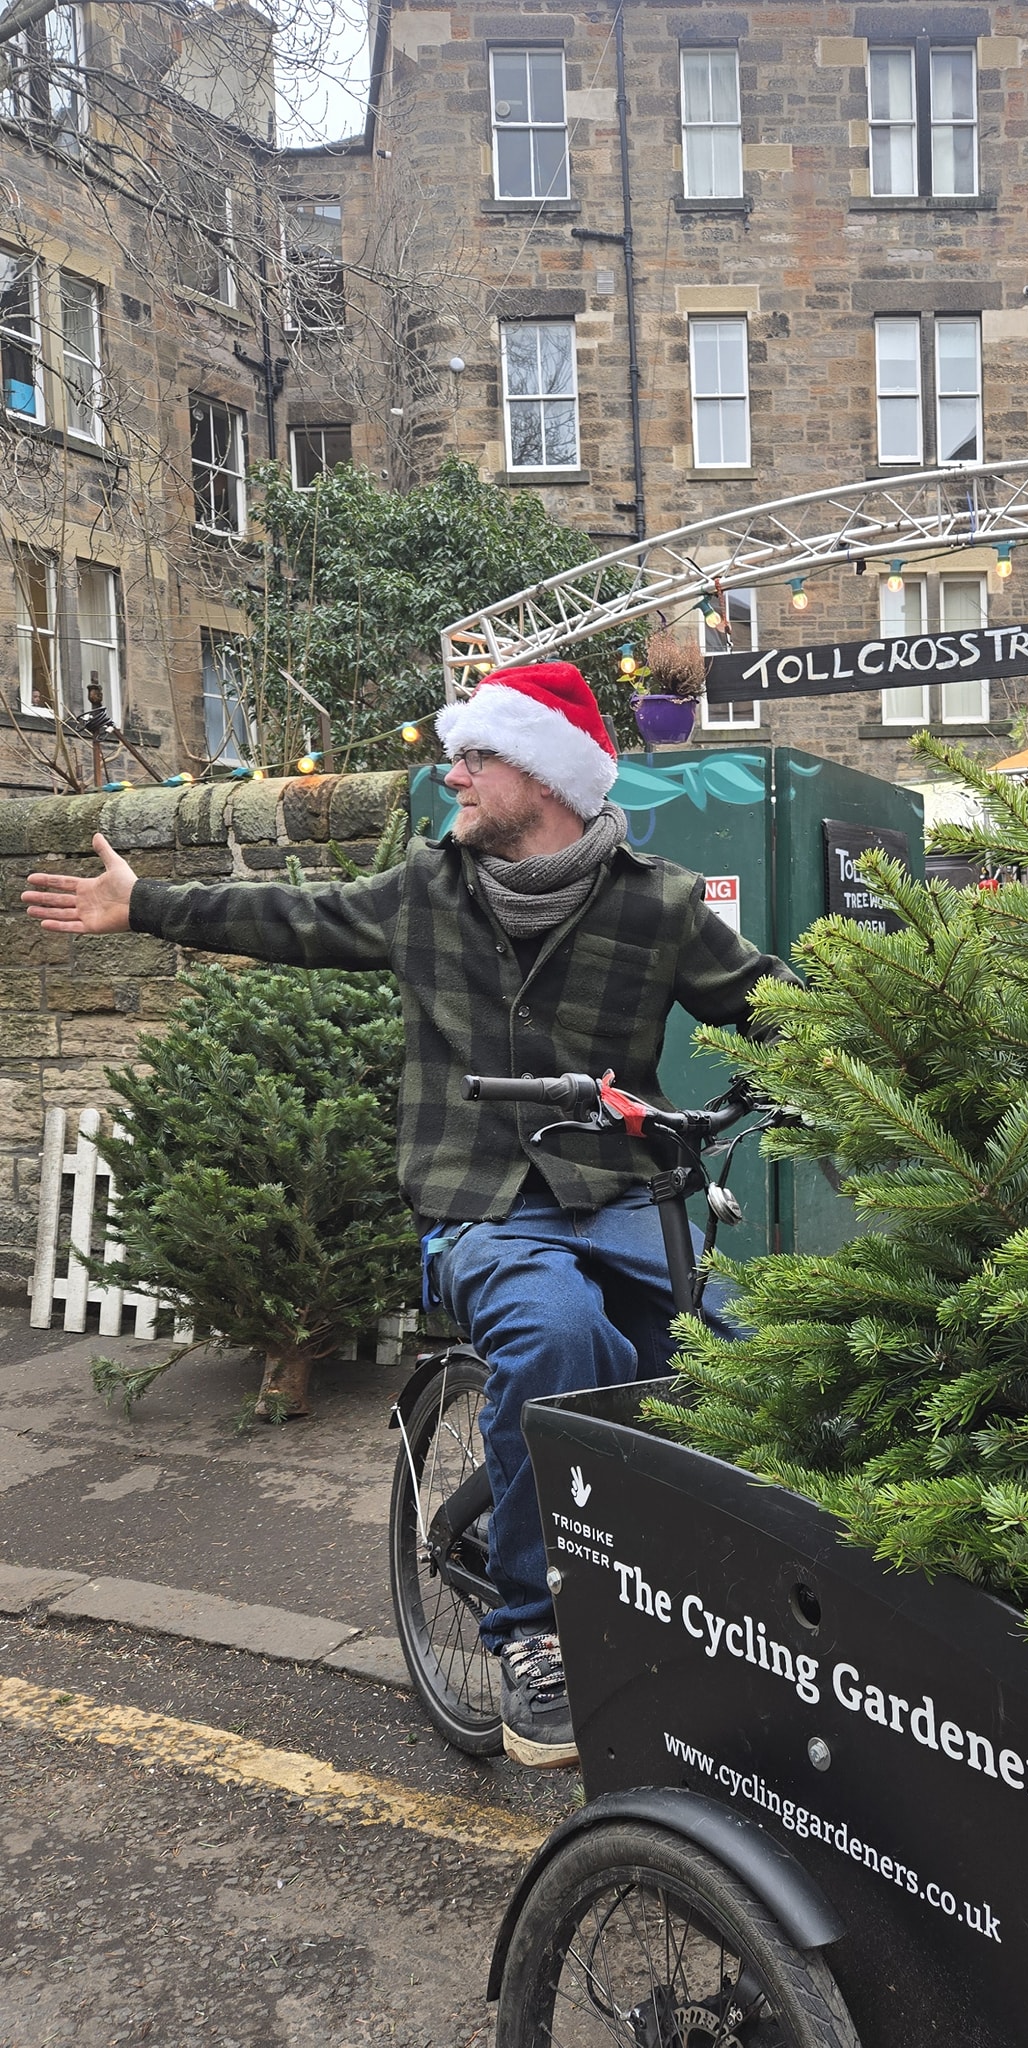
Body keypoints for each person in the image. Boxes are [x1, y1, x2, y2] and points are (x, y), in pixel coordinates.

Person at [23, 662, 792, 1768]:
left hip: (619, 1193)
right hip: (479, 1203)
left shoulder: (658, 903)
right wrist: (144, 903)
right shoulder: (426, 890)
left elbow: (770, 1004)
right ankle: (531, 1631)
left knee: (746, 1355)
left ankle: (708, 1611)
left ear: (540, 775)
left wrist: (888, 1036)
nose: (454, 775)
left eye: (474, 758)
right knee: (560, 1335)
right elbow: (292, 916)